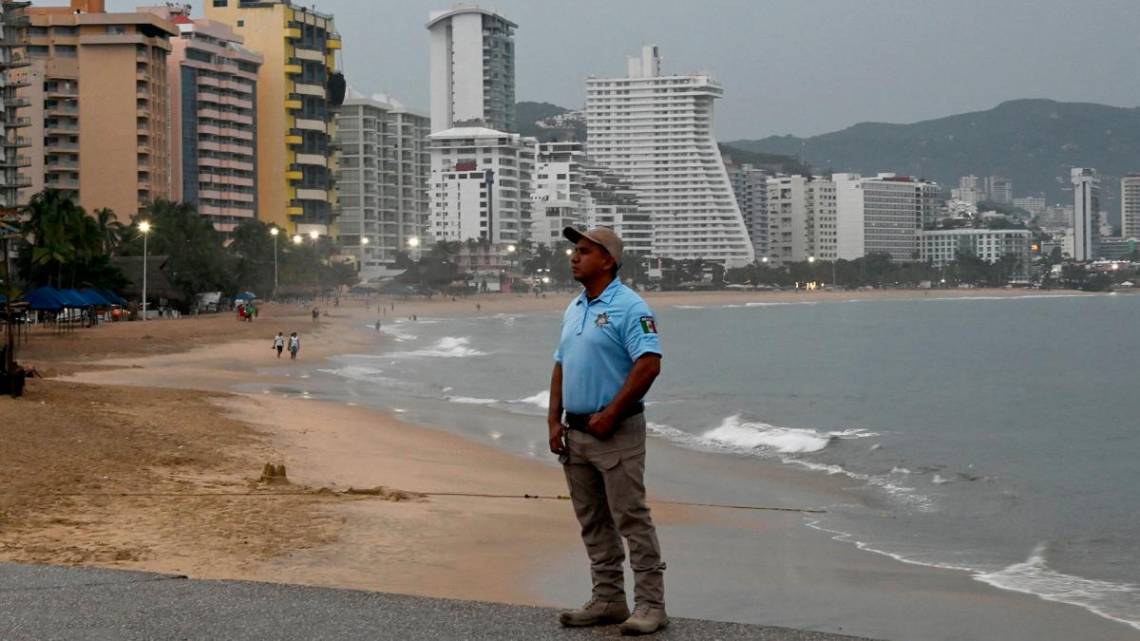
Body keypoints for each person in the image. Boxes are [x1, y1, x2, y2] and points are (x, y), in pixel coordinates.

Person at [548, 226, 667, 635]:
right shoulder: (575, 306)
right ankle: (608, 599)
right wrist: (553, 420)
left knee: (631, 518)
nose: (574, 257)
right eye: (574, 250)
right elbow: (561, 364)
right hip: (576, 432)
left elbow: (649, 363)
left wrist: (612, 413)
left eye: (583, 251)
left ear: (608, 260)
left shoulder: (632, 307)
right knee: (593, 521)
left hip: (616, 432)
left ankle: (651, 604)